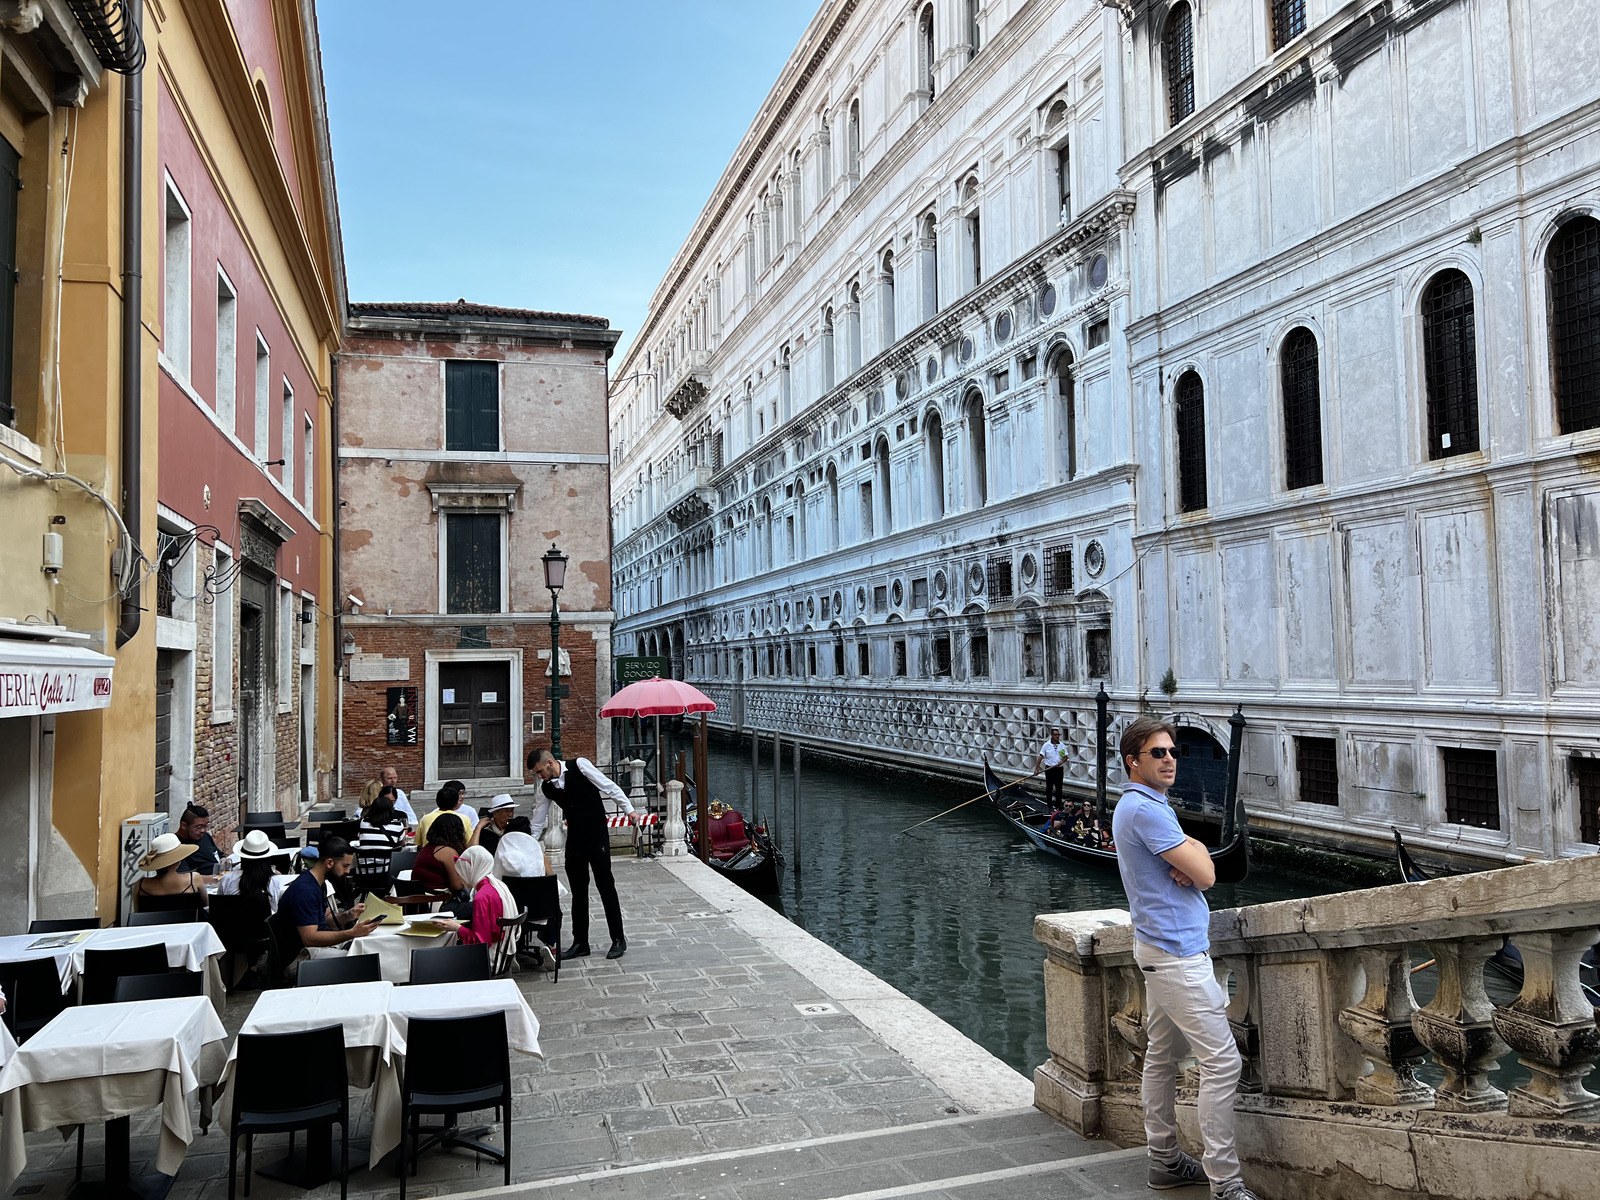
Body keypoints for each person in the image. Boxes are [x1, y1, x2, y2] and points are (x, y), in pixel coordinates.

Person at [1111, 716, 1257, 1200]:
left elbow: (1197, 864)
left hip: (1159, 948)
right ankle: (1225, 1182)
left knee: (1162, 1057)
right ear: (1134, 761)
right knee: (1223, 1065)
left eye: (1173, 751)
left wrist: (1190, 856)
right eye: (1158, 753)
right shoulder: (1147, 811)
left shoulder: (1141, 806)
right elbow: (1210, 875)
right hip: (1176, 956)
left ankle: (1166, 1161)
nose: (1170, 758)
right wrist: (1194, 860)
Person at [528, 748, 636, 960]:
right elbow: (538, 818)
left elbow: (609, 786)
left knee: (606, 887)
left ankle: (618, 939)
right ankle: (580, 942)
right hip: (575, 838)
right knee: (578, 891)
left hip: (597, 835)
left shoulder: (580, 765)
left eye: (540, 771)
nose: (539, 777)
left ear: (550, 763)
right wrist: (528, 843)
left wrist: (629, 810)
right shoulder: (546, 787)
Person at [278, 836, 382, 956]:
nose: (348, 871)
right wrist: (352, 933)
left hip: (317, 948)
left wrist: (349, 915)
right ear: (329, 863)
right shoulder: (306, 891)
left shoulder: (318, 882)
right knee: (364, 958)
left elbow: (326, 920)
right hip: (301, 956)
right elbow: (309, 938)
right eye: (345, 866)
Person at [434, 846, 519, 962]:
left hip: (490, 959)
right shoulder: (498, 885)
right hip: (503, 952)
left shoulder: (482, 897)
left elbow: (480, 942)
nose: (459, 876)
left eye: (461, 872)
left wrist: (457, 928)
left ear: (471, 870)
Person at [217, 829, 296, 913]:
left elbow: (219, 907)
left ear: (243, 857)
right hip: (263, 925)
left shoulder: (227, 879)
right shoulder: (274, 881)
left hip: (230, 925)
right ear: (268, 859)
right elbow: (274, 910)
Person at [134, 833, 208, 909]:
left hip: (152, 921)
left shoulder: (140, 885)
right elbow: (206, 905)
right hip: (191, 921)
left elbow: (137, 915)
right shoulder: (193, 879)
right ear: (178, 860)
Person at [412, 811, 468, 894]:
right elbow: (457, 886)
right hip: (434, 900)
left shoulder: (429, 847)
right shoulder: (447, 852)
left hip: (420, 896)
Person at [175, 804, 222, 877]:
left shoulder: (205, 836)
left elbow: (220, 855)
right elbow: (185, 878)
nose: (203, 830)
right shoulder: (176, 846)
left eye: (205, 826)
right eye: (199, 827)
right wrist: (216, 878)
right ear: (184, 825)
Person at [1034, 727, 1067, 809]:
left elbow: (1065, 757)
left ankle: (1058, 805)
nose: (1057, 736)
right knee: (1049, 787)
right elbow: (1040, 757)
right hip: (1049, 769)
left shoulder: (1062, 745)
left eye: (1058, 735)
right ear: (1052, 735)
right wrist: (1037, 769)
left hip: (1059, 769)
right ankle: (1049, 805)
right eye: (1056, 735)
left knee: (1059, 787)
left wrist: (1061, 762)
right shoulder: (1046, 745)